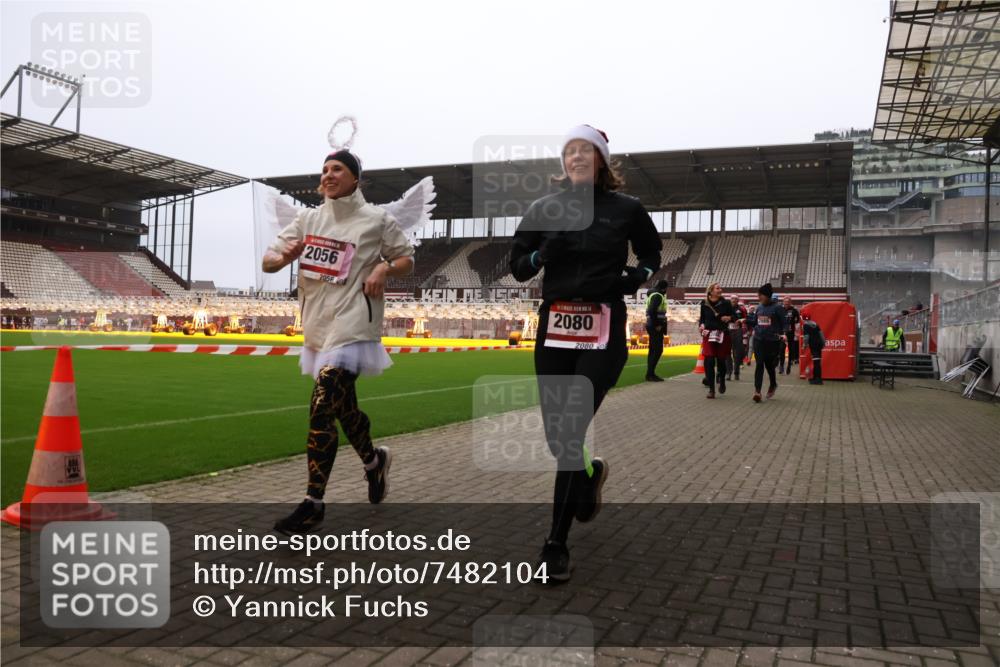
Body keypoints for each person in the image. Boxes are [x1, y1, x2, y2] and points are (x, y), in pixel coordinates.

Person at [510, 124, 661, 583]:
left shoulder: (627, 209)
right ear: (563, 161)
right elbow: (518, 268)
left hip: (603, 327)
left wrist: (637, 277)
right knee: (559, 438)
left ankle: (555, 545)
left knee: (571, 426)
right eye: (570, 151)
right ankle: (589, 475)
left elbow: (652, 254)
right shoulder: (543, 208)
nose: (576, 157)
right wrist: (541, 256)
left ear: (601, 161)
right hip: (555, 329)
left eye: (586, 151)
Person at [264, 148, 416, 535]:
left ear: (355, 179)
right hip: (318, 327)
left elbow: (406, 259)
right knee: (343, 408)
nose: (328, 175)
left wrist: (383, 267)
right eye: (325, 170)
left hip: (354, 326)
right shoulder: (308, 219)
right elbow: (268, 260)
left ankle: (313, 504)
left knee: (321, 406)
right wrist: (285, 258)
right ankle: (374, 462)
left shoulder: (376, 219)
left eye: (337, 169)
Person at [747, 283, 786, 402]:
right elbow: (755, 322)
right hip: (759, 340)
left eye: (761, 295)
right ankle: (757, 391)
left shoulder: (778, 308)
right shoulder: (759, 307)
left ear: (767, 295)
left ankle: (773, 384)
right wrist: (744, 320)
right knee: (759, 364)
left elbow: (785, 323)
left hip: (772, 341)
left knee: (769, 365)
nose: (758, 297)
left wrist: (784, 334)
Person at [698, 283, 735, 398]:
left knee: (721, 361)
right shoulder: (704, 303)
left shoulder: (726, 303)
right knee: (709, 360)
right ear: (711, 291)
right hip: (709, 334)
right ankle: (711, 389)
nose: (720, 290)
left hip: (722, 333)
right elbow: (702, 319)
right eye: (717, 288)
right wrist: (701, 326)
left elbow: (734, 317)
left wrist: (729, 318)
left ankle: (722, 380)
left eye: (720, 288)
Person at [645, 279, 669, 381]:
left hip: (651, 325)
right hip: (655, 326)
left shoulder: (653, 294)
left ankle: (650, 373)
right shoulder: (658, 296)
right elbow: (652, 311)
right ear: (664, 288)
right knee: (658, 350)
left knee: (653, 350)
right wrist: (657, 324)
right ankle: (650, 374)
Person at [726, 294, 748, 381]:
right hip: (728, 331)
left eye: (735, 299)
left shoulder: (742, 309)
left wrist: (742, 321)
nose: (734, 300)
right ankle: (728, 372)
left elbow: (746, 319)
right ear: (730, 300)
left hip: (738, 332)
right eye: (732, 298)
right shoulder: (726, 308)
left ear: (738, 300)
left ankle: (736, 372)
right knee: (727, 352)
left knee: (737, 354)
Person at [780, 296, 801, 375]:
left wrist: (796, 330)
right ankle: (781, 366)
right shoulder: (780, 309)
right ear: (783, 302)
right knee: (781, 349)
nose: (786, 303)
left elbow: (798, 320)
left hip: (791, 333)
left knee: (790, 349)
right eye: (785, 302)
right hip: (782, 333)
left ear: (790, 302)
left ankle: (789, 365)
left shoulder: (794, 310)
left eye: (788, 302)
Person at [802, 314, 825, 385]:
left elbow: (806, 336)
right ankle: (815, 378)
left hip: (813, 344)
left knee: (816, 362)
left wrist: (804, 345)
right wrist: (823, 343)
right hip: (819, 344)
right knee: (817, 361)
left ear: (803, 319)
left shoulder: (805, 325)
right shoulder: (816, 324)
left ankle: (818, 380)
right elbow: (821, 334)